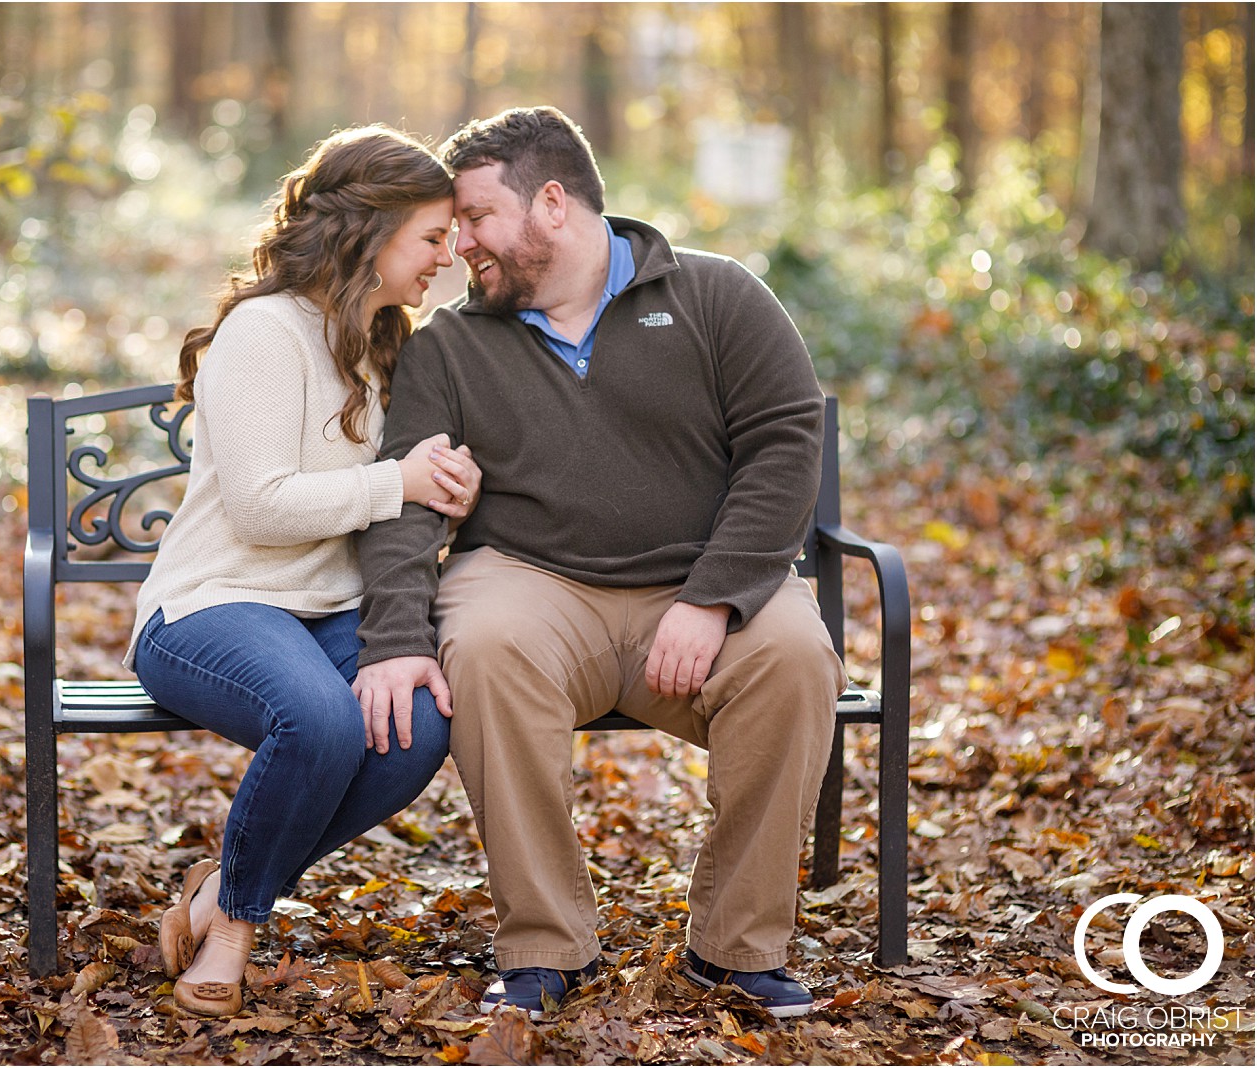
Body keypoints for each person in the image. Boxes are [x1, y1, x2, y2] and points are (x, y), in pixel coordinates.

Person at [353, 106, 846, 1019]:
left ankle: (736, 950)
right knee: (488, 645)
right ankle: (547, 947)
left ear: (551, 202)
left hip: (701, 583)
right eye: (453, 227)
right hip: (532, 582)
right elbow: (406, 500)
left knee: (794, 657)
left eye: (475, 219)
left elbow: (784, 446)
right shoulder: (451, 347)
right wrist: (392, 639)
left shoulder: (715, 296)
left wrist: (716, 598)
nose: (459, 245)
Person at [125, 126, 481, 1017]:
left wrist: (444, 489)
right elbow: (260, 508)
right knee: (320, 721)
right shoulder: (264, 332)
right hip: (211, 608)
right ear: (369, 230)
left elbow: (393, 498)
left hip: (327, 611)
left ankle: (218, 890)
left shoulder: (383, 340)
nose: (452, 255)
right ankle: (238, 928)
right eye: (433, 237)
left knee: (420, 720)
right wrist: (391, 482)